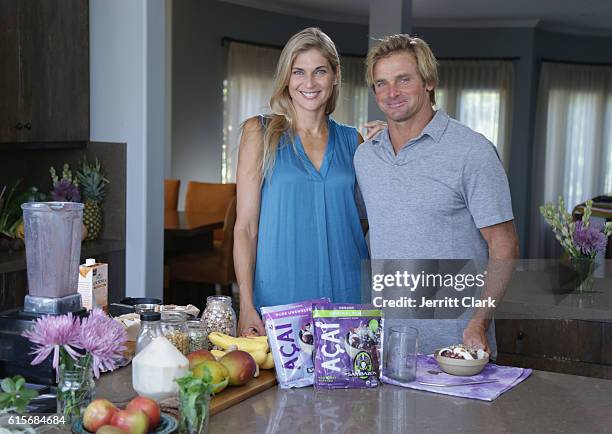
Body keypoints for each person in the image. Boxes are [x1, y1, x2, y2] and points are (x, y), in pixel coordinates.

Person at [354, 34, 519, 356]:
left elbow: (505, 245)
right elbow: (360, 230)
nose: (392, 93)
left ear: (428, 81)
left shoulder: (472, 151)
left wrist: (479, 323)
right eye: (381, 83)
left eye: (404, 79)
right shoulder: (366, 156)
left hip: (457, 344)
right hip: (385, 345)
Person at [234, 28, 371, 336]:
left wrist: (384, 151)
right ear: (287, 77)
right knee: (281, 385)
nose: (309, 83)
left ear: (335, 76)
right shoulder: (261, 133)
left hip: (347, 292)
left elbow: (365, 218)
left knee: (353, 384)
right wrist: (245, 303)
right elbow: (245, 228)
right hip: (280, 295)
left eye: (319, 71)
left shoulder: (354, 141)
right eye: (299, 72)